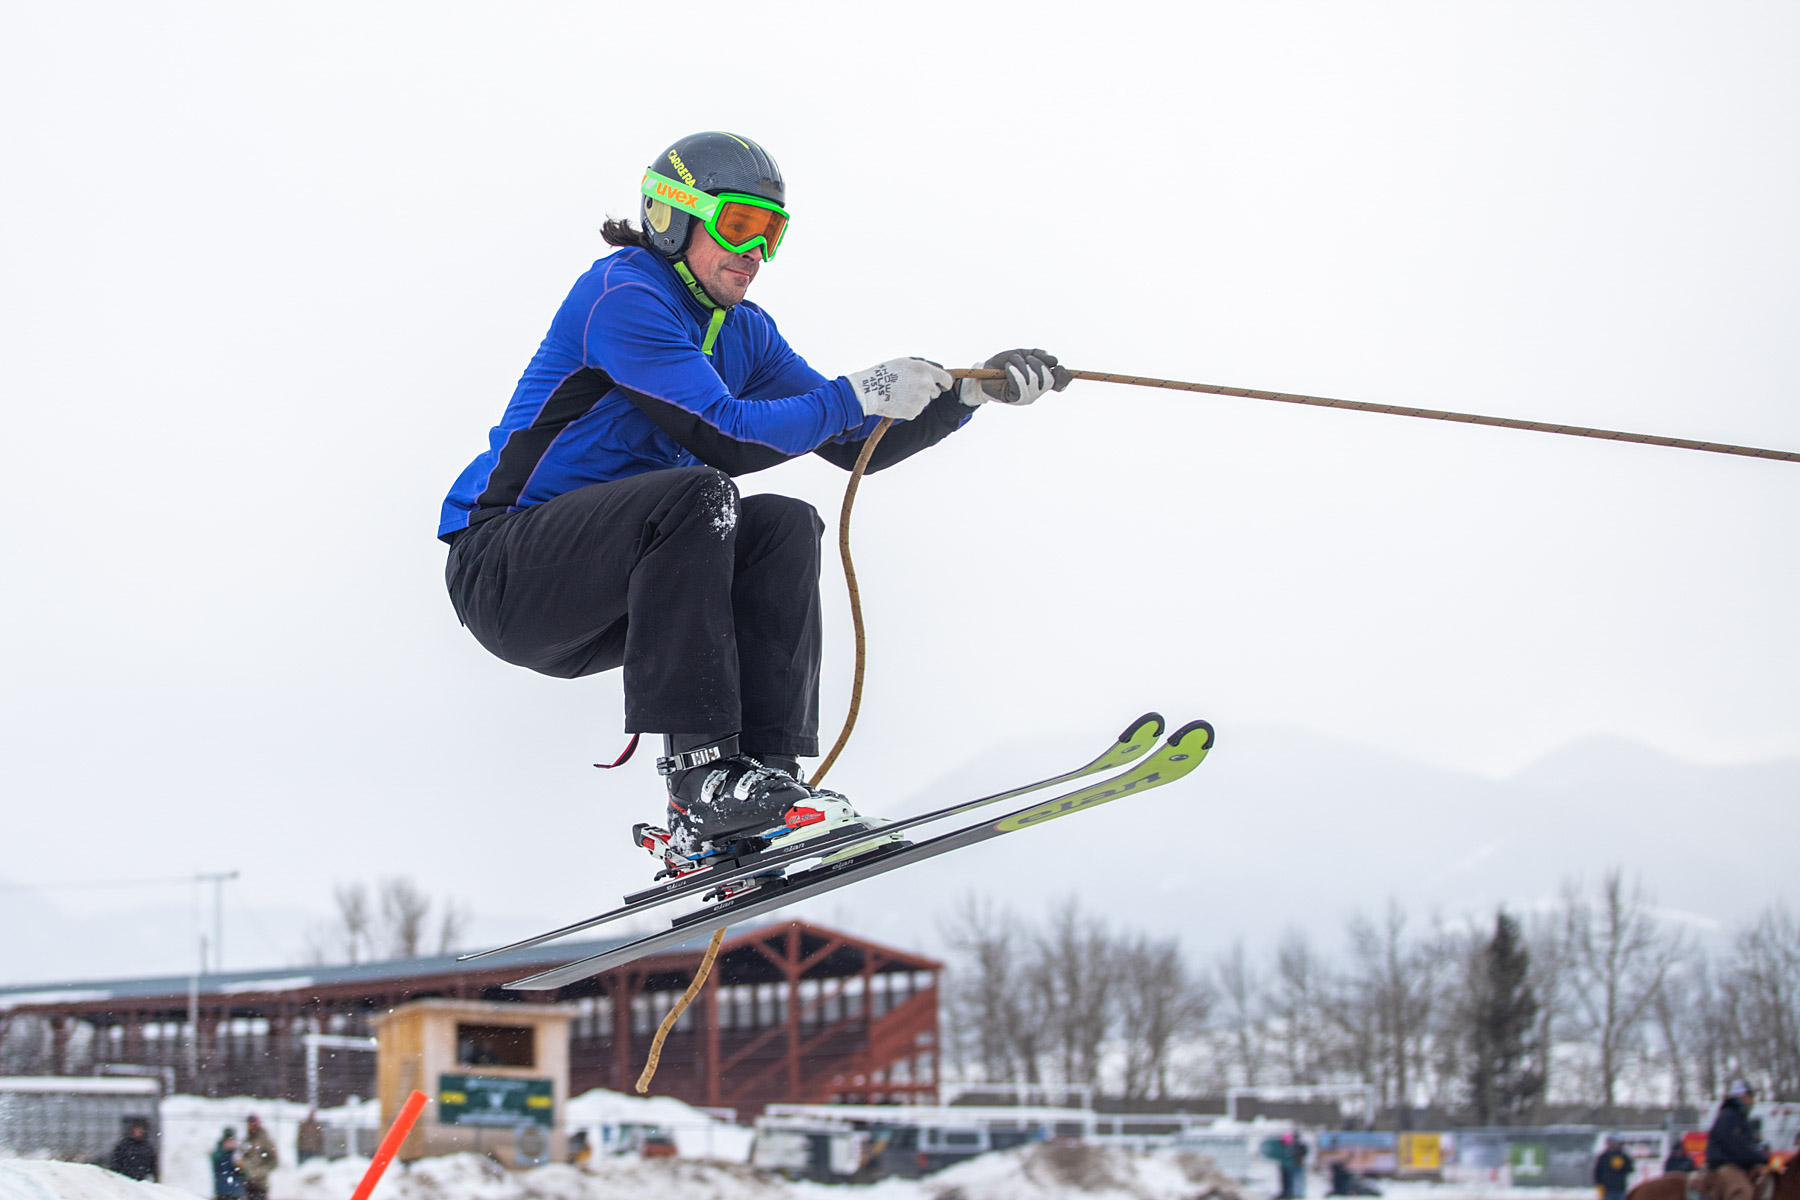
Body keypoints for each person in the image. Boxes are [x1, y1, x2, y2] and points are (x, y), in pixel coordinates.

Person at [439, 131, 1069, 873]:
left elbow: (850, 442)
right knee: (706, 494)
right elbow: (730, 439)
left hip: (621, 590)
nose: (755, 251)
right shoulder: (625, 296)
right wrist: (853, 393)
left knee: (782, 525)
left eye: (771, 233)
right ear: (674, 216)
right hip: (509, 572)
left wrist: (968, 395)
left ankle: (760, 790)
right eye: (739, 225)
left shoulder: (746, 334)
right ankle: (702, 781)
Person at [1706, 1080, 1770, 1200]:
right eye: (1750, 1096)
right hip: (1725, 1165)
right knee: (1742, 1192)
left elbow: (1747, 1144)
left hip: (1739, 1165)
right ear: (1741, 1097)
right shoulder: (1728, 1117)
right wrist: (1760, 1157)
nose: (1752, 1101)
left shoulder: (1740, 1118)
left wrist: (1760, 1149)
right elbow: (1737, 1148)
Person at [237, 1113, 279, 1200]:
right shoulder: (246, 1140)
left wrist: (259, 1172)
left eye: (253, 1123)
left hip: (260, 1184)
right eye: (250, 1123)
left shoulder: (265, 1141)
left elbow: (274, 1162)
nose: (251, 1126)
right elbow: (241, 1157)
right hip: (247, 1183)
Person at [1593, 1135, 1634, 1200]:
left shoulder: (1622, 1156)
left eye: (1613, 1142)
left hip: (1620, 1188)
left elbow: (1630, 1169)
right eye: (1609, 1142)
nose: (1611, 1144)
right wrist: (1599, 1185)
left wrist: (1622, 1165)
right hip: (1607, 1189)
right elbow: (1597, 1172)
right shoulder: (1603, 1157)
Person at [211, 1129, 244, 1199]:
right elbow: (216, 1161)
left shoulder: (237, 1154)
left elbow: (244, 1174)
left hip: (236, 1192)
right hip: (222, 1191)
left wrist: (240, 1166)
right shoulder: (219, 1153)